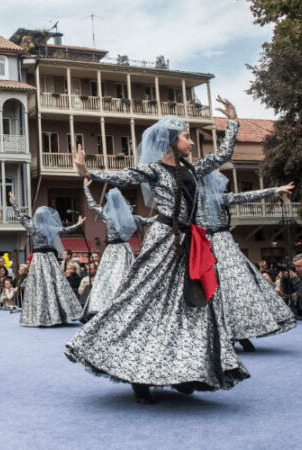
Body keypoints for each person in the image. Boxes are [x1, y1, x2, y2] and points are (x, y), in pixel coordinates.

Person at [66, 98, 250, 404]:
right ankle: (141, 377)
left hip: (191, 244)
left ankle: (184, 370)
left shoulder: (193, 168)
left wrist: (233, 122)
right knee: (146, 303)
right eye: (186, 137)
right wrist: (88, 171)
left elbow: (223, 155)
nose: (191, 141)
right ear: (170, 142)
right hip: (165, 241)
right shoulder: (154, 170)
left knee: (192, 306)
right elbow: (123, 176)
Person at [196, 170, 298, 352]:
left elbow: (243, 196)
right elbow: (243, 197)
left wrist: (274, 190)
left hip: (213, 243)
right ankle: (235, 335)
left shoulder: (201, 198)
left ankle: (234, 335)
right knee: (233, 289)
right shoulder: (200, 198)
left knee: (229, 290)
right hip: (213, 243)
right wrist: (275, 190)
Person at [79, 181, 154, 322]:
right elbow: (149, 221)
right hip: (124, 250)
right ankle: (125, 308)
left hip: (111, 250)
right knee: (123, 278)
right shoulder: (130, 217)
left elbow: (92, 204)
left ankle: (104, 307)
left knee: (108, 279)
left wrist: (86, 188)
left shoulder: (108, 216)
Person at [9, 192, 85, 327]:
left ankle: (41, 315)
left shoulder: (33, 227)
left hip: (38, 258)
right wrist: (79, 224)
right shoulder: (51, 228)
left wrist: (14, 203)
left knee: (39, 286)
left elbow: (20, 217)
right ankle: (58, 314)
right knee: (54, 285)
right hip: (49, 258)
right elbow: (66, 229)